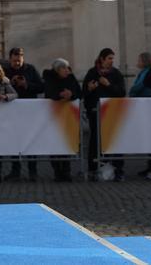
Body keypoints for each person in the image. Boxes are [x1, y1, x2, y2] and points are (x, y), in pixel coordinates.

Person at [82, 48, 126, 181]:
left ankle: (118, 169)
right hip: (95, 113)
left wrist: (109, 85)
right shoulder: (92, 72)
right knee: (95, 139)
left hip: (112, 113)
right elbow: (84, 93)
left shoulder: (116, 74)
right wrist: (89, 89)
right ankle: (93, 168)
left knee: (114, 140)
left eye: (113, 58)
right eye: (109, 58)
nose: (112, 61)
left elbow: (122, 92)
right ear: (102, 59)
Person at [4, 47, 43, 181]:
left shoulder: (30, 70)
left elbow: (41, 86)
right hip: (11, 112)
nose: (17, 63)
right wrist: (11, 83)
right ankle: (15, 171)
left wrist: (26, 84)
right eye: (14, 61)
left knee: (31, 141)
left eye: (19, 61)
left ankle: (33, 171)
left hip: (29, 112)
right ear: (10, 59)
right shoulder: (5, 71)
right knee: (13, 141)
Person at [44, 59, 80, 182]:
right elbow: (49, 92)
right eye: (63, 68)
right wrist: (61, 95)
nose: (67, 70)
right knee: (54, 144)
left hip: (67, 117)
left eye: (67, 68)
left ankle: (66, 171)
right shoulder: (49, 76)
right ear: (57, 70)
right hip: (53, 117)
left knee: (66, 143)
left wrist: (71, 94)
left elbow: (78, 92)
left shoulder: (71, 77)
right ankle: (57, 171)